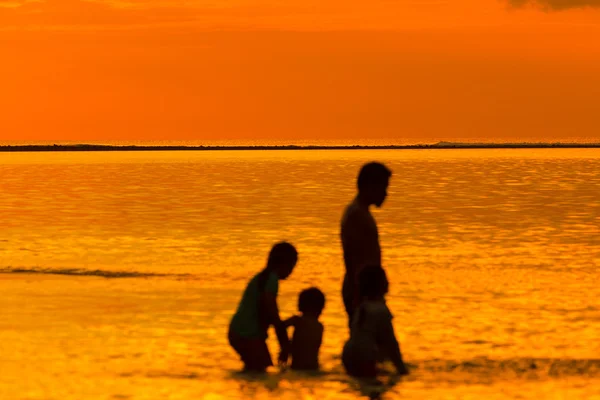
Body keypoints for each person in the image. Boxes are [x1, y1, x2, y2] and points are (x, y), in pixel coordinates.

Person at [228, 242, 298, 372]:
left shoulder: (263, 277)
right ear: (285, 264)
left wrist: (286, 326)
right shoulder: (271, 280)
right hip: (246, 334)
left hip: (239, 331)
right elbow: (272, 314)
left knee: (254, 371)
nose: (291, 272)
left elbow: (270, 317)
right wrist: (285, 345)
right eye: (292, 266)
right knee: (264, 371)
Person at [341, 162, 392, 328]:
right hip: (361, 290)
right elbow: (351, 255)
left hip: (367, 289)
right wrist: (358, 293)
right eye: (383, 187)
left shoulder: (361, 213)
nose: (386, 193)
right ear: (369, 186)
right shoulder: (357, 214)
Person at [342, 265, 408, 378]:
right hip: (365, 356)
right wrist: (402, 368)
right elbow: (391, 342)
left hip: (349, 354)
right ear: (383, 285)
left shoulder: (361, 307)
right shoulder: (381, 310)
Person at [283, 287, 326, 370]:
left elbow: (280, 326)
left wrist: (285, 347)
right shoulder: (320, 327)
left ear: (300, 305)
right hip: (314, 367)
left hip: (296, 366)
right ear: (321, 308)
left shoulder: (297, 320)